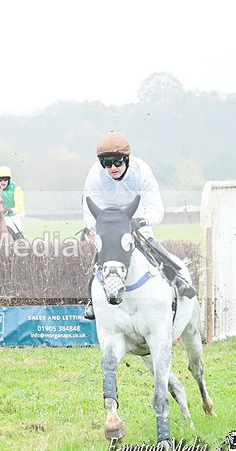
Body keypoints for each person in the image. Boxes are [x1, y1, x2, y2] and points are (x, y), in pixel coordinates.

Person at [82, 131, 196, 320]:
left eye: (117, 162)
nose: (112, 168)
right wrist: (99, 226)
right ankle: (92, 300)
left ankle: (179, 279)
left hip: (137, 221)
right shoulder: (95, 174)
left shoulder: (142, 170)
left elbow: (157, 211)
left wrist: (140, 222)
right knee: (100, 258)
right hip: (110, 225)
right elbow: (88, 210)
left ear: (126, 158)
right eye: (107, 163)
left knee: (153, 248)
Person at [0, 165, 26, 241]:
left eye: (5, 179)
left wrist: (10, 210)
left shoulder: (16, 189)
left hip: (11, 216)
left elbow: (20, 207)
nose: (3, 182)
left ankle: (23, 250)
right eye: (0, 180)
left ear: (9, 179)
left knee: (19, 233)